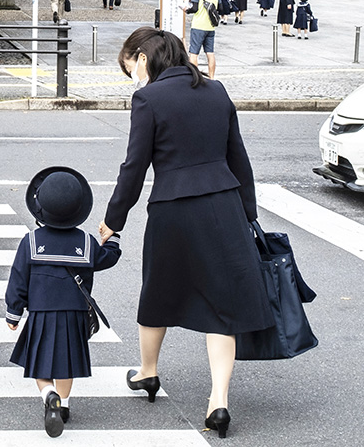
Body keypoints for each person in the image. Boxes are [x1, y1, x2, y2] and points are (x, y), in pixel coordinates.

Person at [98, 27, 273, 440]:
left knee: (158, 293)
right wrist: (247, 213)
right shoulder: (216, 91)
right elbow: (239, 159)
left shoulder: (148, 99)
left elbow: (134, 168)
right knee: (222, 304)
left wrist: (113, 220)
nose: (133, 77)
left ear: (143, 58)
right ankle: (219, 401)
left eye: (131, 67)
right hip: (224, 207)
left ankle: (148, 372)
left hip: (173, 209)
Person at [6, 167, 122, 438]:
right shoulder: (85, 242)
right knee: (65, 362)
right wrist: (112, 237)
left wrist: (14, 312)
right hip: (74, 313)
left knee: (40, 365)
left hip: (41, 314)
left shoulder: (31, 241)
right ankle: (65, 405)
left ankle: (49, 395)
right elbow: (108, 258)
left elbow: (18, 278)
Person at [184, 0, 220, 79]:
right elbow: (221, 7)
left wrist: (186, 10)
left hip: (198, 25)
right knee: (210, 53)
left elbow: (195, 8)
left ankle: (195, 77)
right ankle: (212, 77)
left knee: (194, 53)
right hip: (210, 26)